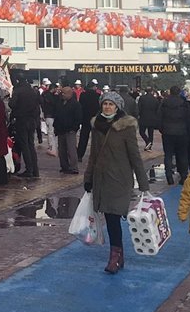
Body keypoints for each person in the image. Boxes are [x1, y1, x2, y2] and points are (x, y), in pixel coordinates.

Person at [83, 91, 150, 275]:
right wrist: (88, 178)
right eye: (105, 104)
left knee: (113, 218)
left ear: (118, 106)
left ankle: (114, 257)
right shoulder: (97, 126)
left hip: (120, 179)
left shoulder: (125, 127)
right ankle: (118, 255)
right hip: (101, 178)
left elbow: (135, 156)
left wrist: (143, 184)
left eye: (111, 104)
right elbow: (93, 155)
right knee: (110, 218)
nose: (107, 107)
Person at [158, 86, 190, 185]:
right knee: (183, 154)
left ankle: (169, 176)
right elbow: (188, 118)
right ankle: (184, 176)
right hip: (182, 132)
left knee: (168, 155)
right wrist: (188, 131)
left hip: (167, 132)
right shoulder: (184, 103)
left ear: (170, 92)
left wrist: (162, 130)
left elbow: (159, 117)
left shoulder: (164, 103)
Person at [9, 80, 41, 178]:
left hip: (22, 120)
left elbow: (12, 104)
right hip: (32, 120)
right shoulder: (32, 91)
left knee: (25, 145)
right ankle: (35, 170)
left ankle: (29, 170)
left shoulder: (18, 91)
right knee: (31, 144)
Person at [54, 85, 83, 175]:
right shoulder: (60, 103)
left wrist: (74, 128)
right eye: (62, 93)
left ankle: (74, 167)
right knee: (62, 150)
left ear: (70, 94)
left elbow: (78, 117)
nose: (62, 95)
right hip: (60, 130)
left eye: (64, 93)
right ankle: (64, 166)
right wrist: (56, 127)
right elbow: (57, 115)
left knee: (71, 149)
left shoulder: (75, 104)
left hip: (70, 130)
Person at [76, 84, 101, 161]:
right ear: (93, 87)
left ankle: (79, 155)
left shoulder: (83, 95)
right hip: (95, 118)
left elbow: (80, 106)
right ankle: (96, 156)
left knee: (83, 137)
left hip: (85, 118)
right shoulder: (97, 95)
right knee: (96, 138)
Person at [41, 80, 61, 156]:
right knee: (51, 132)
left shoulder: (44, 94)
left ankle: (52, 147)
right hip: (51, 115)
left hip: (48, 115)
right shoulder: (53, 96)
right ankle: (52, 147)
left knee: (51, 132)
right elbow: (55, 104)